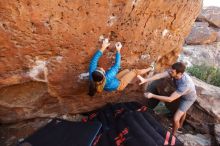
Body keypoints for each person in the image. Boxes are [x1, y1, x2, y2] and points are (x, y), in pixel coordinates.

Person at [137, 62, 197, 135]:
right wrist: (145, 80)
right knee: (183, 110)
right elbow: (159, 76)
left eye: (172, 72)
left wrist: (152, 95)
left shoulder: (185, 84)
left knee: (176, 118)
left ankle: (174, 135)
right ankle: (180, 126)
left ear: (179, 74)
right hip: (182, 94)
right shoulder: (174, 72)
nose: (170, 72)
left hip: (188, 99)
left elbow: (170, 99)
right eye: (171, 70)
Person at [88, 38, 153, 96]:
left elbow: (94, 60)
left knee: (127, 71)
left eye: (98, 68)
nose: (101, 68)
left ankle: (132, 77)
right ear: (104, 75)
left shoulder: (92, 74)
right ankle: (151, 68)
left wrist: (103, 47)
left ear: (94, 71)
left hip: (112, 82)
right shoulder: (108, 76)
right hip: (119, 85)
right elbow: (117, 65)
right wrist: (118, 50)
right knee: (135, 71)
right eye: (102, 70)